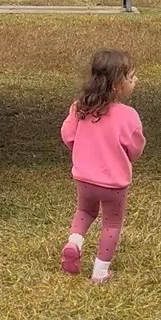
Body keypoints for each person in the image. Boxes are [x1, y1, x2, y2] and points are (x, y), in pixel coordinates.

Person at [60, 50, 145, 284]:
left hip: (84, 179)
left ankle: (74, 242)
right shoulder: (128, 116)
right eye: (131, 77)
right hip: (114, 184)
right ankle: (100, 272)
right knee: (112, 223)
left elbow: (68, 135)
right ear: (117, 85)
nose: (135, 81)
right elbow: (134, 148)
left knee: (85, 211)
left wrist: (83, 151)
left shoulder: (80, 108)